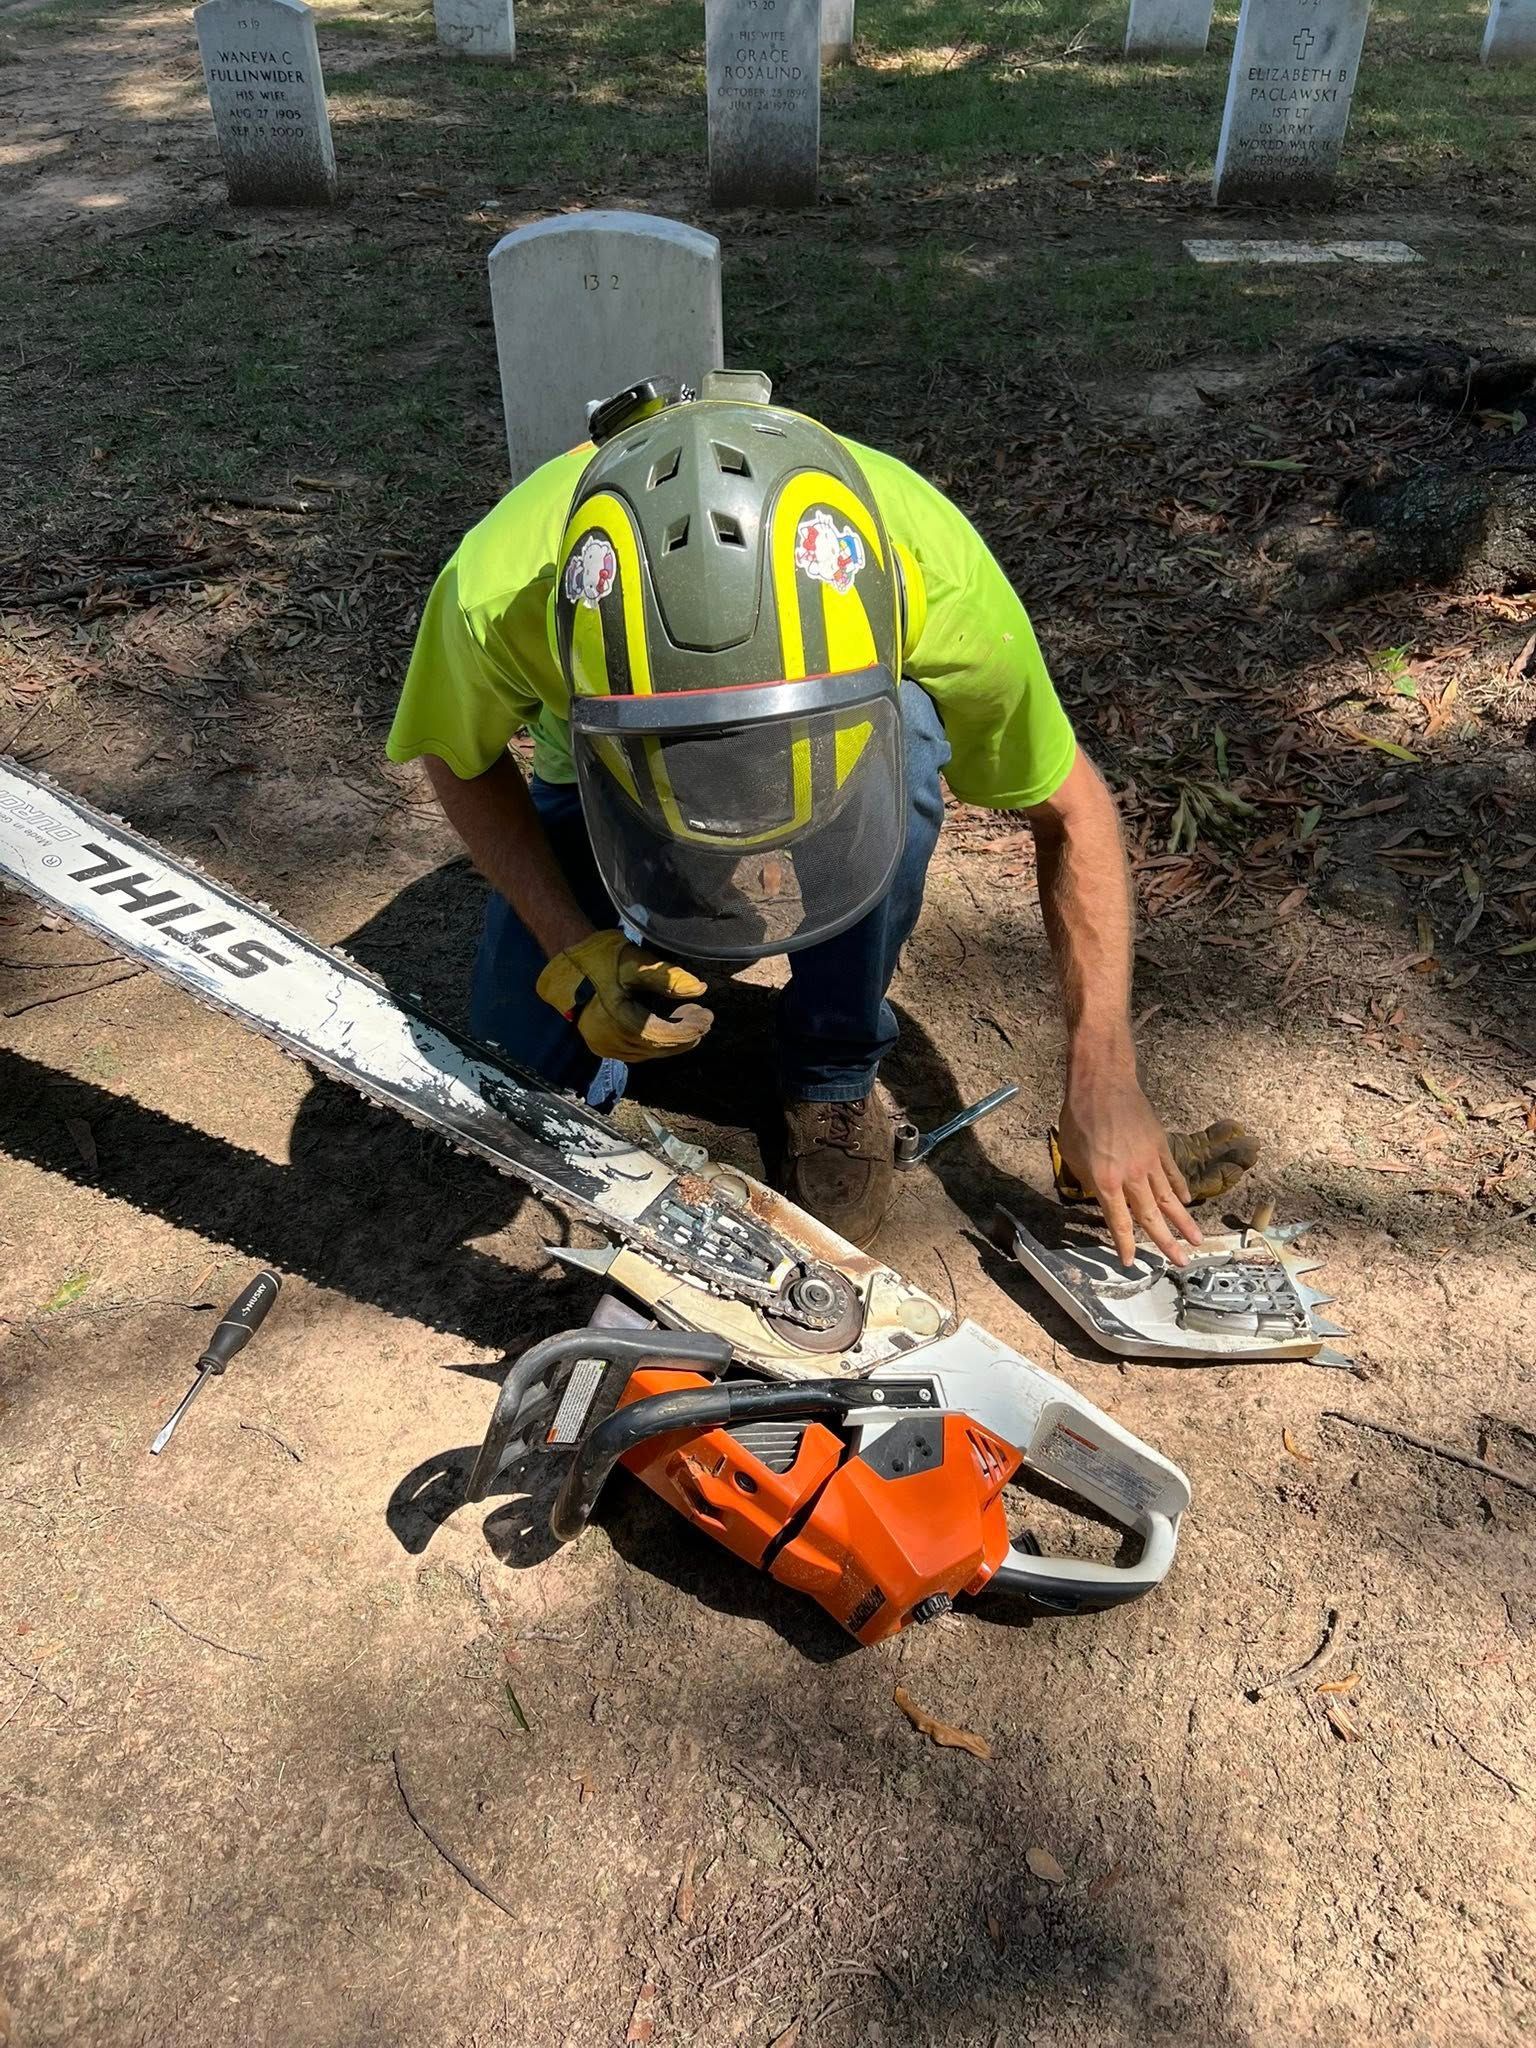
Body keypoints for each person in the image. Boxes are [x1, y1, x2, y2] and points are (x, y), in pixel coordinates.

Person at [387, 372, 1255, 1255]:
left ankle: (832, 1077)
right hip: (608, 783)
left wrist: (1102, 1080)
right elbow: (460, 756)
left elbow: (1072, 811)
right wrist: (571, 942)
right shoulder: (498, 588)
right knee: (511, 1084)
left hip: (838, 763)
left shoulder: (924, 567)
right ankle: (631, 928)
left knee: (910, 739)